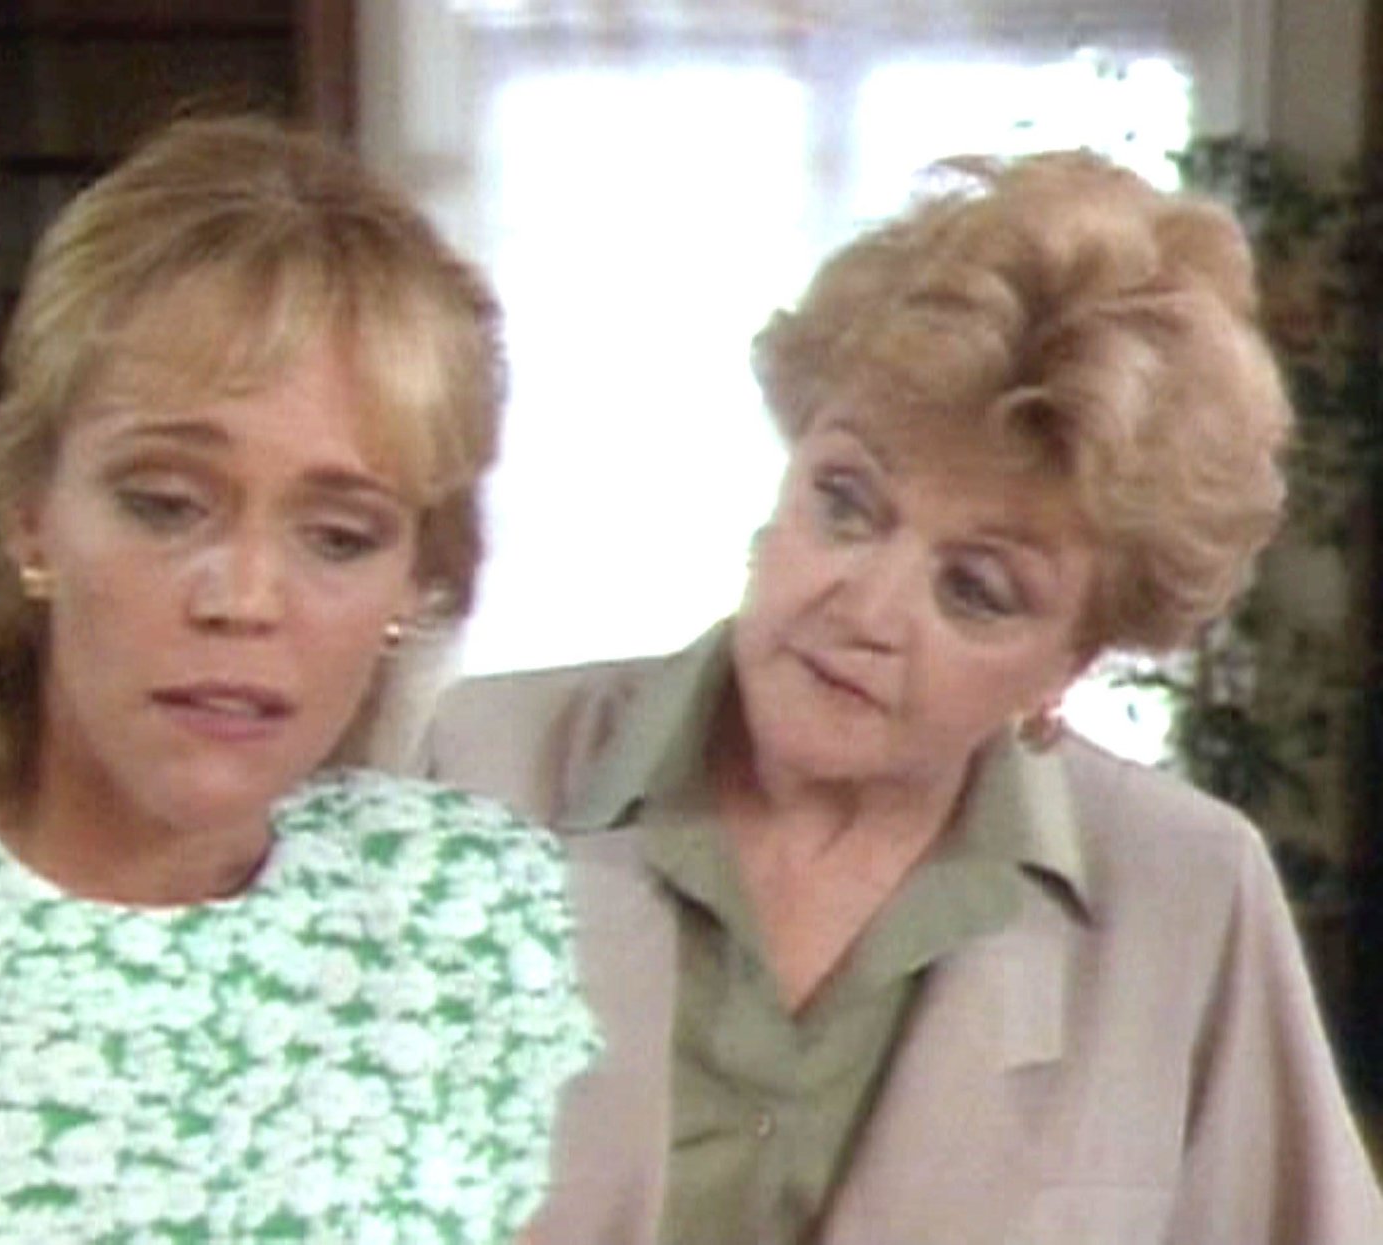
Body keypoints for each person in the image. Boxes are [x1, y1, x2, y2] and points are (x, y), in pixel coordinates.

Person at [419, 151, 1383, 1244]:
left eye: (975, 590)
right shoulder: (476, 767)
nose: (864, 607)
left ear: (1068, 666)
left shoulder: (1187, 892)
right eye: (845, 501)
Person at [0, 114, 596, 1243]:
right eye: (166, 505)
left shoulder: (478, 901)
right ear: (31, 519)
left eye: (339, 536)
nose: (244, 598)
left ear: (416, 584)